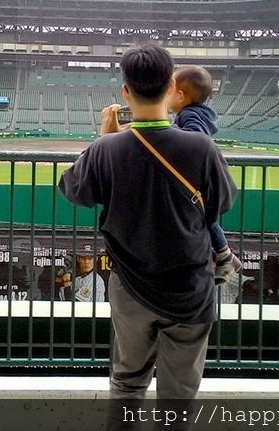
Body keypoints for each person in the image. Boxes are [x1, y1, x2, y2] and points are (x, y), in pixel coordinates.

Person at [58, 44, 237, 429]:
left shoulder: (107, 148)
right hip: (190, 288)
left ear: (126, 92)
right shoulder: (200, 146)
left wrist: (101, 141)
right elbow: (221, 203)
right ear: (171, 84)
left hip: (131, 288)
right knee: (178, 396)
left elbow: (75, 190)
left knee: (127, 383)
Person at [168, 65, 242, 285]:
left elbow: (196, 139)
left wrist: (170, 133)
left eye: (170, 89)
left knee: (206, 219)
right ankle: (225, 256)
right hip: (202, 179)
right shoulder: (193, 112)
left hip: (200, 182)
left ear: (181, 96)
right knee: (205, 219)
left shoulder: (189, 114)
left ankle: (225, 256)